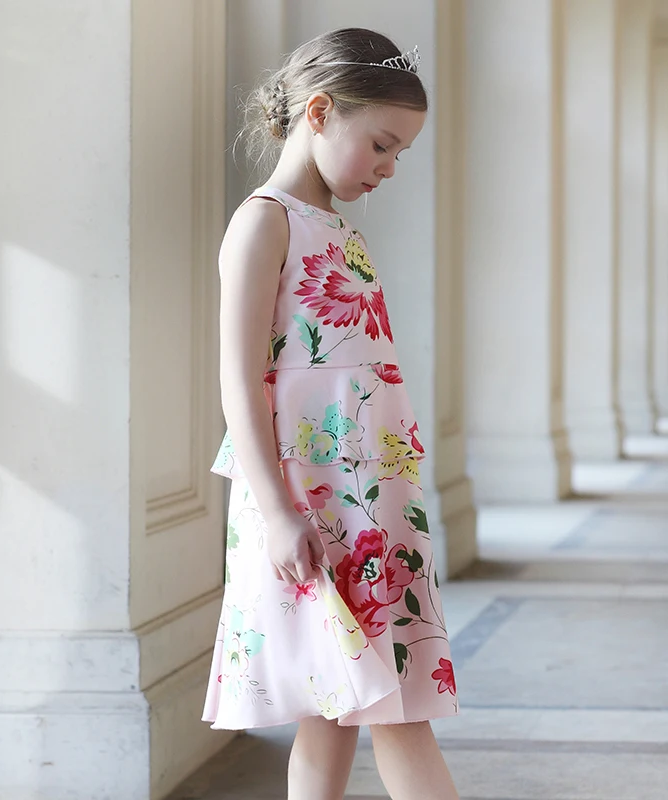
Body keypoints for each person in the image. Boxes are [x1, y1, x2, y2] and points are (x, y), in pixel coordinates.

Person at [202, 27, 459, 800]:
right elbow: (239, 380)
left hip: (369, 498)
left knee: (337, 705)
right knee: (394, 708)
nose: (389, 168)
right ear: (319, 112)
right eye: (381, 145)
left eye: (400, 154)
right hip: (307, 499)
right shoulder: (265, 221)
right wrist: (279, 513)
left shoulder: (341, 230)